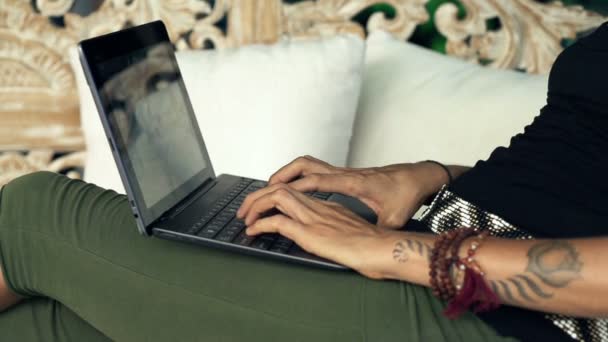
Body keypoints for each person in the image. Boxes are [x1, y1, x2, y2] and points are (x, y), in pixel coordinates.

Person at [0, 21, 607, 342]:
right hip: (438, 260)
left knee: (31, 216)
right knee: (42, 328)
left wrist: (389, 249)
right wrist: (427, 176)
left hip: (508, 321)